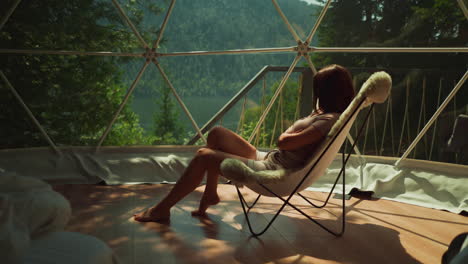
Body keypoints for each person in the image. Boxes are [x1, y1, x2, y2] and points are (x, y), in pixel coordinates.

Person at [133, 64, 355, 222]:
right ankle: (211, 193)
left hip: (273, 171)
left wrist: (289, 130)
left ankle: (162, 209)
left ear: (325, 93)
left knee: (203, 156)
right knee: (217, 133)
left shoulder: (328, 120)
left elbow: (283, 142)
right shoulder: (328, 115)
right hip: (269, 160)